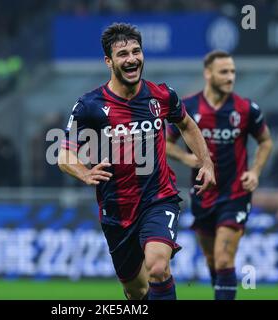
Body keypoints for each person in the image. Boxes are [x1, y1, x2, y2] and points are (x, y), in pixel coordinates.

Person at [57, 23, 215, 300]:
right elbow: (64, 153)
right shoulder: (89, 106)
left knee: (157, 267)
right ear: (109, 61)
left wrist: (206, 162)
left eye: (136, 51)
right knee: (137, 291)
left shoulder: (162, 95)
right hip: (116, 211)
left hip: (158, 198)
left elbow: (187, 125)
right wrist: (83, 173)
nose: (131, 59)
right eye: (122, 54)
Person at [166, 50, 273, 300]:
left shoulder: (246, 109)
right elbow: (165, 143)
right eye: (224, 71)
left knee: (225, 258)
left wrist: (255, 172)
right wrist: (186, 158)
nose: (230, 77)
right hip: (203, 194)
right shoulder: (189, 107)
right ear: (208, 73)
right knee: (213, 260)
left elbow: (266, 141)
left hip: (235, 192)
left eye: (233, 71)